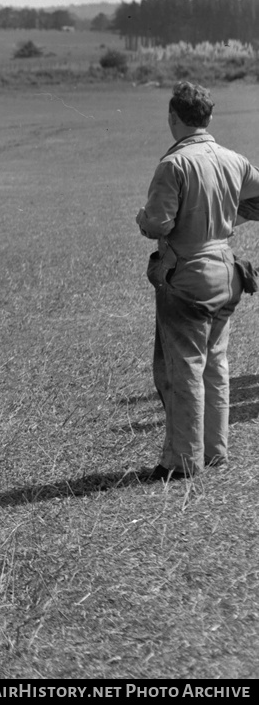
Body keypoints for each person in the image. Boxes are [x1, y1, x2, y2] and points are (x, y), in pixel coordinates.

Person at [135, 81, 259, 479]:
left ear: (173, 117)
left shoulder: (174, 165)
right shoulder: (233, 159)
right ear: (207, 117)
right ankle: (214, 452)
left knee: (182, 368)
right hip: (227, 270)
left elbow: (158, 224)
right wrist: (229, 220)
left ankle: (182, 462)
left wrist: (143, 218)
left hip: (188, 274)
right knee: (215, 363)